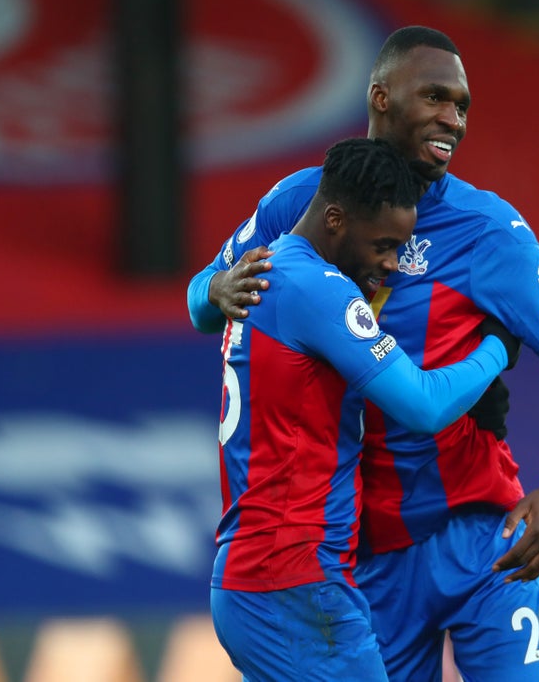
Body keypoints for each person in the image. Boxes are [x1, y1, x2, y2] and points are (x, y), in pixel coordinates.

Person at [190, 26, 539, 681]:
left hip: (481, 539)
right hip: (368, 556)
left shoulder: (490, 230)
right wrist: (216, 285)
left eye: (462, 105)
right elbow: (199, 305)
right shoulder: (303, 201)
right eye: (436, 97)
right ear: (381, 97)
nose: (453, 119)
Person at [210, 137, 521, 682]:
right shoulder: (317, 289)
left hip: (265, 575)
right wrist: (497, 347)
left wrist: (209, 286)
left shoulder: (270, 268)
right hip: (294, 580)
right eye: (383, 244)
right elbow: (423, 406)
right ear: (335, 219)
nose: (392, 264)